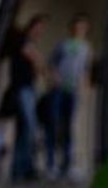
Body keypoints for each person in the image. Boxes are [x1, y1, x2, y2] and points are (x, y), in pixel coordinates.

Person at [44, 13, 91, 179]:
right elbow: (51, 63)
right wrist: (53, 77)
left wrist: (84, 87)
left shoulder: (85, 48)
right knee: (54, 124)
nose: (80, 30)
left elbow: (85, 69)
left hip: (73, 90)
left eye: (83, 28)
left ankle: (67, 164)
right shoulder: (62, 45)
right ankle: (50, 164)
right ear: (72, 28)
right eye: (78, 27)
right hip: (58, 89)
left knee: (69, 126)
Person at [9, 14, 48, 182]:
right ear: (31, 27)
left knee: (25, 129)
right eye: (38, 28)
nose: (39, 32)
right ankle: (25, 168)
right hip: (23, 89)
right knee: (29, 127)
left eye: (42, 30)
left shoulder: (28, 43)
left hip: (28, 89)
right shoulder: (24, 41)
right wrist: (46, 71)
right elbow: (34, 58)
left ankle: (19, 170)